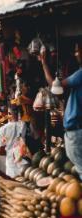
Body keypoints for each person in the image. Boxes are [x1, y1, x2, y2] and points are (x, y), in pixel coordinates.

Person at [39, 42, 82, 179]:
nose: (76, 55)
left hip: (77, 131)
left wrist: (44, 64)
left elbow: (55, 87)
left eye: (77, 51)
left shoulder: (80, 74)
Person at [0, 105, 27, 178]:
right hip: (24, 163)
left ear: (9, 113)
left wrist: (10, 151)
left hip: (11, 164)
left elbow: (0, 151)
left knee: (14, 186)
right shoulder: (24, 125)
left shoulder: (3, 129)